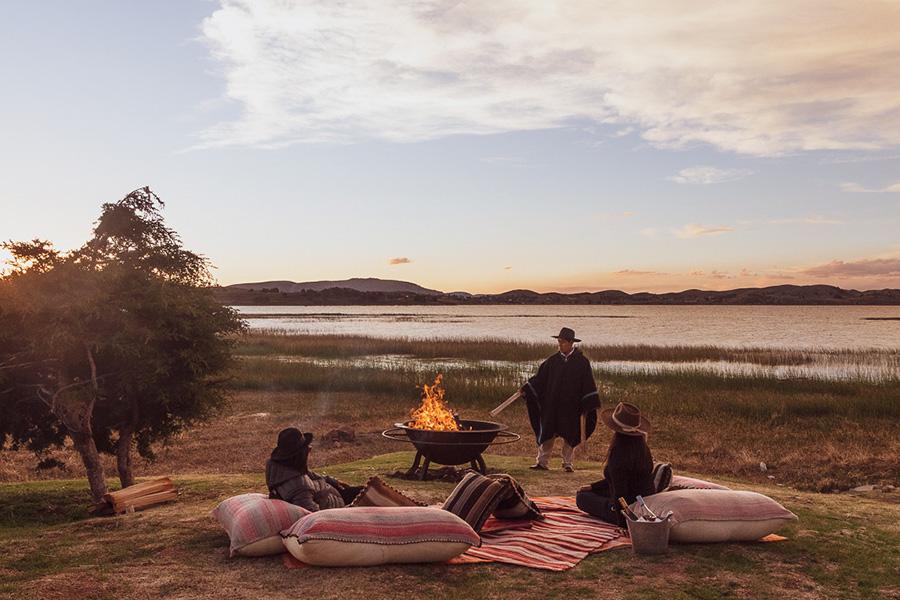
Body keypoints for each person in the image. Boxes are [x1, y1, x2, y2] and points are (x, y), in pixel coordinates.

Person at [575, 402, 671, 526]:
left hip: (626, 506)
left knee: (582, 497)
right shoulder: (642, 448)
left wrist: (623, 522)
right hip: (643, 501)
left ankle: (614, 514)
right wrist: (593, 486)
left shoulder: (619, 454)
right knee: (590, 492)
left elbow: (620, 493)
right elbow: (618, 479)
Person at [520, 327, 600, 472]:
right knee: (548, 434)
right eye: (559, 342)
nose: (560, 345)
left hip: (571, 407)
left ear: (571, 343)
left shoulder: (582, 363)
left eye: (562, 342)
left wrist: (588, 402)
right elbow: (540, 379)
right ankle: (542, 462)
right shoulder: (552, 361)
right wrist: (527, 388)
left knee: (570, 436)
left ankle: (568, 463)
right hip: (552, 406)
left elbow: (588, 384)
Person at [265, 427, 363, 511]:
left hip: (334, 494)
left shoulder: (286, 469)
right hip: (337, 505)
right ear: (299, 454)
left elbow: (312, 475)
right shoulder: (299, 488)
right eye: (307, 448)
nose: (309, 449)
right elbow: (313, 515)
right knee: (369, 497)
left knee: (365, 490)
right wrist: (348, 509)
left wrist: (335, 482)